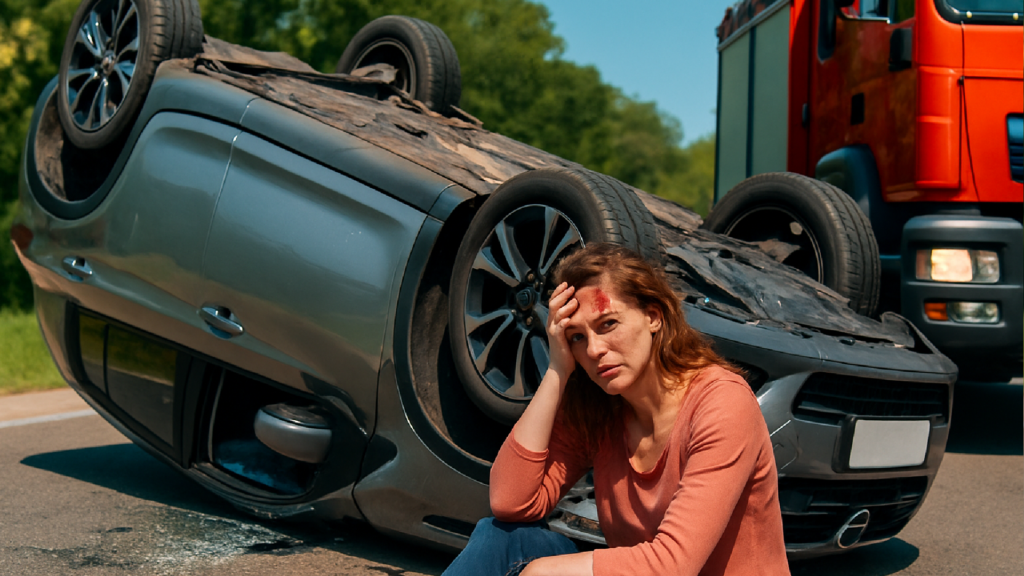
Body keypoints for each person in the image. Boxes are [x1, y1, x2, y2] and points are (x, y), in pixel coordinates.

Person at [443, 243, 789, 576]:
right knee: (505, 540)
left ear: (653, 316)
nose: (594, 350)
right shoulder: (603, 408)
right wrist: (557, 372)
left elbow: (673, 565)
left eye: (608, 324)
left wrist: (545, 571)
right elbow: (511, 503)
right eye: (577, 337)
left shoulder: (722, 403)